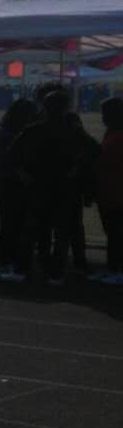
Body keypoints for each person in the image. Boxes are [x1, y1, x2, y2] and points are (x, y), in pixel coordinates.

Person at [13, 88, 100, 285]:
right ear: (66, 108)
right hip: (64, 187)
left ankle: (22, 269)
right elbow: (96, 150)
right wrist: (77, 166)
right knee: (62, 234)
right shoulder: (74, 130)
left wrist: (24, 175)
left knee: (32, 231)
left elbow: (12, 156)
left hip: (38, 186)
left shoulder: (33, 130)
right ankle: (56, 273)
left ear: (44, 108)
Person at [0, 99, 40, 282]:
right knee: (10, 226)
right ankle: (6, 263)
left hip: (13, 184)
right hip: (10, 185)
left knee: (17, 227)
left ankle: (14, 263)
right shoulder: (4, 134)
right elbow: (9, 161)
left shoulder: (7, 132)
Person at [95, 97, 123, 286]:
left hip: (116, 193)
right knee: (113, 233)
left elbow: (106, 161)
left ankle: (116, 270)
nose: (102, 118)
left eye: (105, 114)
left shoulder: (118, 137)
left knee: (116, 234)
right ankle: (113, 268)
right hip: (109, 192)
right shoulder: (112, 133)